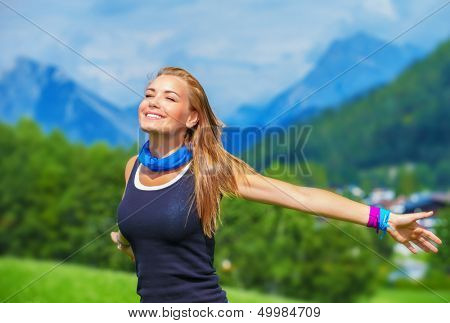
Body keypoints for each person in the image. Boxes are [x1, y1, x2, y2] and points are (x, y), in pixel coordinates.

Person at [111, 66, 443, 303]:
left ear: (193, 117)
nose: (153, 101)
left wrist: (384, 219)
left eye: (169, 98)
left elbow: (300, 196)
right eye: (149, 94)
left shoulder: (209, 171)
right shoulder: (133, 169)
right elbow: (155, 255)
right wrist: (129, 244)